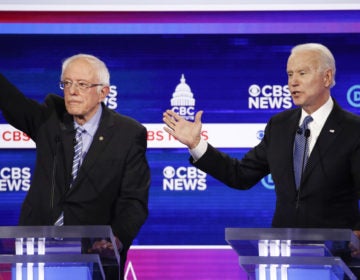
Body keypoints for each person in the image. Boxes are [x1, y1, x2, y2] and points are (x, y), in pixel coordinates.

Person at [163, 43, 360, 271]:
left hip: (338, 260)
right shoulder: (280, 126)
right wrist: (197, 145)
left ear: (327, 77)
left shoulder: (352, 130)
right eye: (289, 74)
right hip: (284, 259)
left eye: (302, 73)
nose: (292, 82)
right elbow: (241, 175)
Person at [0, 54, 150, 279]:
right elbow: (11, 100)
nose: (72, 91)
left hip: (93, 255)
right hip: (37, 251)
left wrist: (117, 238)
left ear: (103, 92)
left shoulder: (128, 134)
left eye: (82, 84)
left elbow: (134, 200)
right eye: (67, 83)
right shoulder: (50, 118)